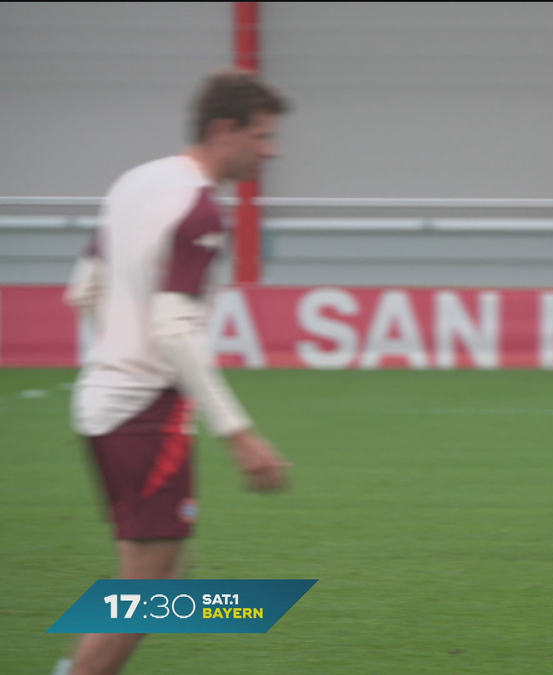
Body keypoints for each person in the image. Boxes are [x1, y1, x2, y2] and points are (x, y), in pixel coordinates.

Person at [58, 68, 292, 675]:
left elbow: (83, 289)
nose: (269, 150)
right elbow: (174, 329)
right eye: (261, 137)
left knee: (146, 577)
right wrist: (239, 435)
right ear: (224, 130)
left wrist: (109, 358)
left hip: (102, 402)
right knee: (150, 591)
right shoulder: (199, 212)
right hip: (143, 412)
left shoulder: (134, 183)